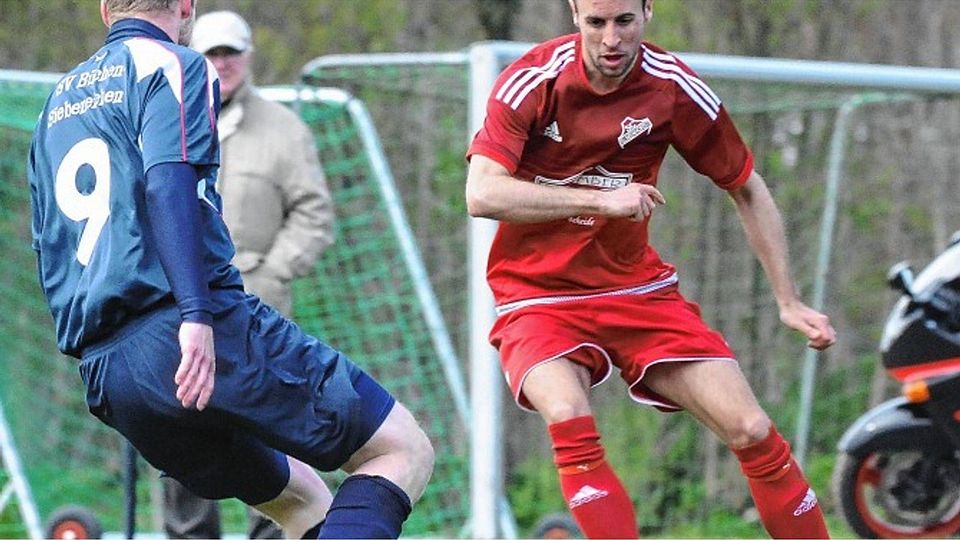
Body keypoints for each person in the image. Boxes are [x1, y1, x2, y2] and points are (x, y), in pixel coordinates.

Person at [28, 1, 433, 539]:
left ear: (105, 9)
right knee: (401, 449)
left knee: (302, 498)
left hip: (109, 371)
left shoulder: (54, 106)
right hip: (193, 327)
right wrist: (196, 312)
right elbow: (167, 185)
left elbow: (47, 243)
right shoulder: (171, 64)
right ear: (186, 6)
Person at [464, 0, 836, 538]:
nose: (611, 39)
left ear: (647, 12)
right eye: (596, 23)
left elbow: (746, 185)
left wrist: (788, 299)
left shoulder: (673, 87)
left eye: (624, 22)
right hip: (536, 295)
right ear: (575, 16)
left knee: (752, 427)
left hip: (637, 290)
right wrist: (601, 201)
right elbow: (482, 192)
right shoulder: (532, 82)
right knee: (568, 412)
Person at [161, 10, 335, 538]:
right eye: (210, 54)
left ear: (248, 56)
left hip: (256, 313)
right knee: (183, 436)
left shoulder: (285, 131)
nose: (221, 64)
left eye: (230, 53)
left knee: (269, 438)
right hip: (178, 315)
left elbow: (314, 214)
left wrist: (274, 273)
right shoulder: (166, 120)